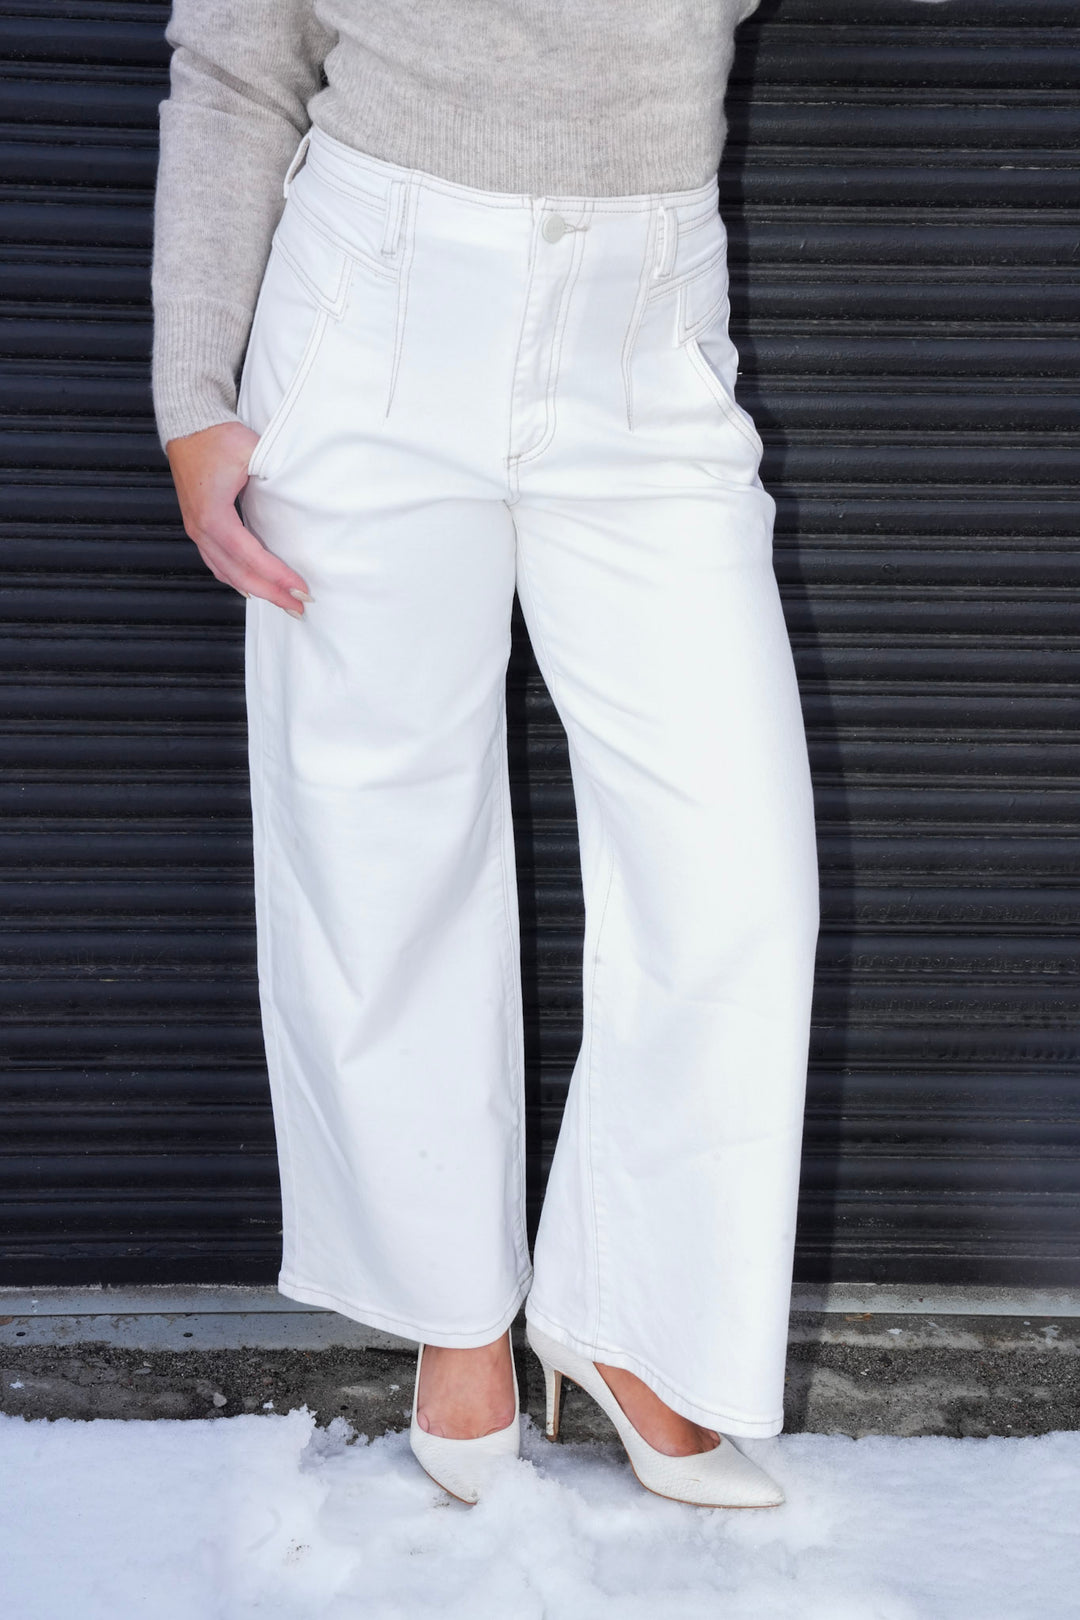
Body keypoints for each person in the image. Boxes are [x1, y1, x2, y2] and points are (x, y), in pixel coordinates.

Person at [152, 0, 942, 1508]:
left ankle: (630, 1321)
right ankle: (458, 1318)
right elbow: (240, 55)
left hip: (647, 313)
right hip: (374, 296)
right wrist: (193, 388)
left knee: (735, 869)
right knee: (379, 844)